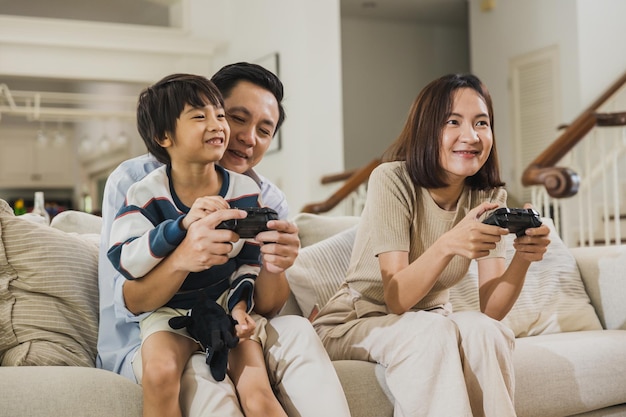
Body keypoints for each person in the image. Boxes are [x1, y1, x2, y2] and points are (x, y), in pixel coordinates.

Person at [97, 64, 351, 417]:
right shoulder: (137, 183)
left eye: (265, 129)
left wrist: (274, 267)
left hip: (231, 311)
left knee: (294, 333)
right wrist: (182, 246)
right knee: (203, 382)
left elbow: (266, 302)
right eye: (236, 118)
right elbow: (128, 300)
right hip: (159, 323)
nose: (246, 136)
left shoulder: (261, 196)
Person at [312, 73, 551, 417]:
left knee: (485, 331)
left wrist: (524, 257)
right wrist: (449, 244)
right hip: (355, 320)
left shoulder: (487, 195)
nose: (470, 136)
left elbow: (492, 309)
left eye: (481, 123)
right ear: (427, 129)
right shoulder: (392, 180)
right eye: (452, 122)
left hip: (430, 319)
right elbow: (396, 298)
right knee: (430, 332)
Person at [106, 73, 289, 417]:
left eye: (220, 114)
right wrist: (181, 227)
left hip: (224, 306)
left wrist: (238, 307)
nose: (218, 125)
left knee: (257, 389)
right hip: (167, 311)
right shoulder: (143, 192)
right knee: (160, 375)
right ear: (164, 137)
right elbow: (125, 258)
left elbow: (249, 260)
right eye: (199, 116)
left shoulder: (245, 190)